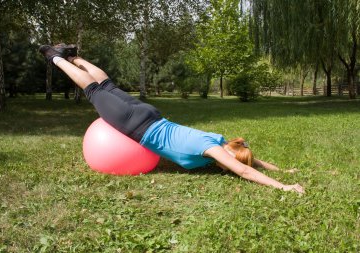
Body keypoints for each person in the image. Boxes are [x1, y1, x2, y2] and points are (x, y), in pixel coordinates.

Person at [39, 44, 305, 194]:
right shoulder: (212, 149)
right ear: (230, 156)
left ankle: (73, 55)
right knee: (95, 90)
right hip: (137, 124)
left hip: (151, 115)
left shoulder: (221, 140)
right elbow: (245, 169)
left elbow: (250, 160)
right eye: (228, 164)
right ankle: (56, 58)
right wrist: (284, 187)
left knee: (107, 86)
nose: (226, 168)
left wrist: (282, 171)